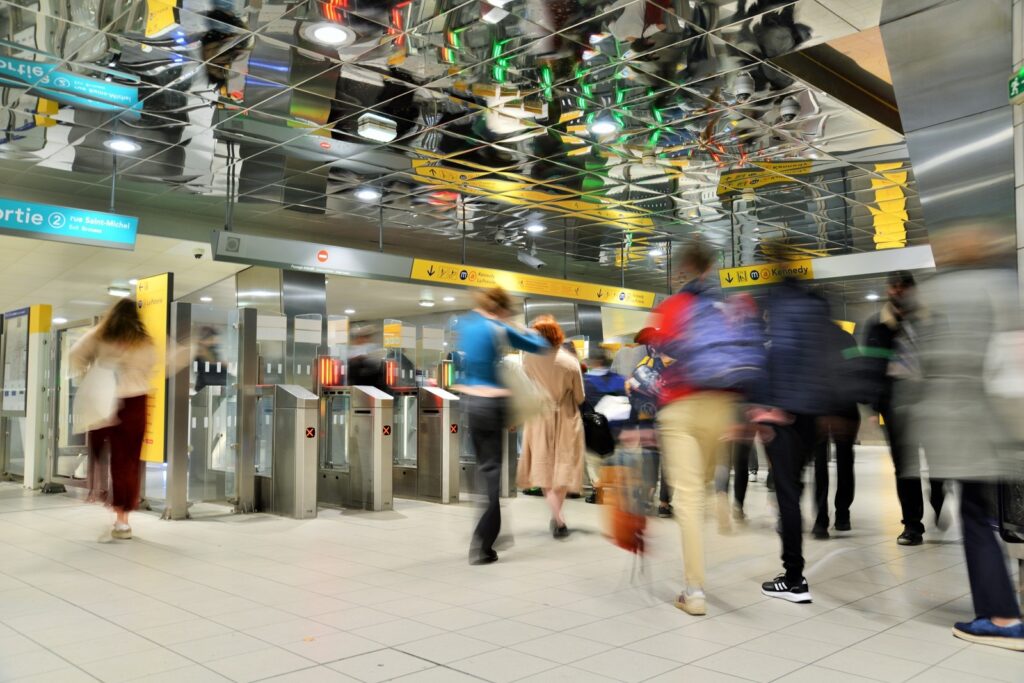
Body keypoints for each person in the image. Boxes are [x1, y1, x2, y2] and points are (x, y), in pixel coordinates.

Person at [904, 228, 1023, 650]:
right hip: (1001, 424)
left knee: (974, 515)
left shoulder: (942, 294)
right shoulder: (1006, 287)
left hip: (962, 424)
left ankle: (1003, 616)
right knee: (990, 515)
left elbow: (928, 364)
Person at [648, 241, 743, 616]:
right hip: (720, 405)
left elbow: (657, 359)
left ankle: (694, 590)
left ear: (682, 269)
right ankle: (719, 493)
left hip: (681, 407)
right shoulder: (730, 307)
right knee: (701, 480)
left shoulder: (671, 307)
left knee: (686, 498)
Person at [751, 277, 832, 604]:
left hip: (785, 419)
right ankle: (795, 570)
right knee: (794, 490)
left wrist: (769, 411)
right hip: (813, 418)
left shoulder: (784, 323)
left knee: (787, 496)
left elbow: (775, 364)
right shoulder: (816, 316)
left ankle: (794, 579)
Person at [454, 287, 548, 564]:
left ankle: (495, 530)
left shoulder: (466, 324)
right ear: (502, 308)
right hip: (492, 403)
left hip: (469, 402)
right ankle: (483, 544)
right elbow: (540, 346)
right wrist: (519, 328)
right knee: (493, 473)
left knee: (484, 469)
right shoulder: (497, 328)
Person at [863, 271, 945, 546]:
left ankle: (939, 494)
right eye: (893, 287)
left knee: (937, 462)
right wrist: (874, 407)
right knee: (905, 467)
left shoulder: (931, 321)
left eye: (903, 287)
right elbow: (871, 368)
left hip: (930, 402)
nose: (897, 292)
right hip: (895, 405)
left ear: (912, 290)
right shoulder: (877, 326)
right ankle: (912, 525)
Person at [70, 298, 157, 540]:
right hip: (137, 402)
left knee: (104, 452)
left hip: (105, 400)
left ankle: (99, 488)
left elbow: (75, 354)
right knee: (129, 460)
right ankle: (123, 521)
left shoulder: (101, 335)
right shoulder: (144, 341)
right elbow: (154, 366)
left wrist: (90, 372)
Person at [518, 316, 585, 538]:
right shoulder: (570, 361)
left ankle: (557, 517)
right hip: (566, 418)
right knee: (563, 468)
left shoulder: (528, 359)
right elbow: (580, 396)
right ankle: (558, 517)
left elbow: (525, 390)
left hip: (538, 418)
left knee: (543, 466)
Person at [812, 323, 862, 539]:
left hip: (819, 409)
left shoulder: (810, 340)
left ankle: (821, 520)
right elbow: (856, 371)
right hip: (845, 409)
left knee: (820, 465)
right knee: (845, 462)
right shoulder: (847, 339)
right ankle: (843, 515)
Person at [625, 333, 673, 518]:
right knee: (668, 463)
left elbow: (631, 393)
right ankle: (664, 504)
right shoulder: (676, 366)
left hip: (647, 419)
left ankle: (647, 498)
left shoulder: (642, 365)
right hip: (669, 420)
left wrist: (631, 423)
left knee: (649, 461)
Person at [581, 350, 628, 504]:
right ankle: (618, 492)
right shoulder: (620, 379)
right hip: (616, 429)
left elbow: (581, 403)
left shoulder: (585, 381)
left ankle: (598, 491)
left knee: (593, 461)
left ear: (594, 362)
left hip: (594, 429)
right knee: (616, 460)